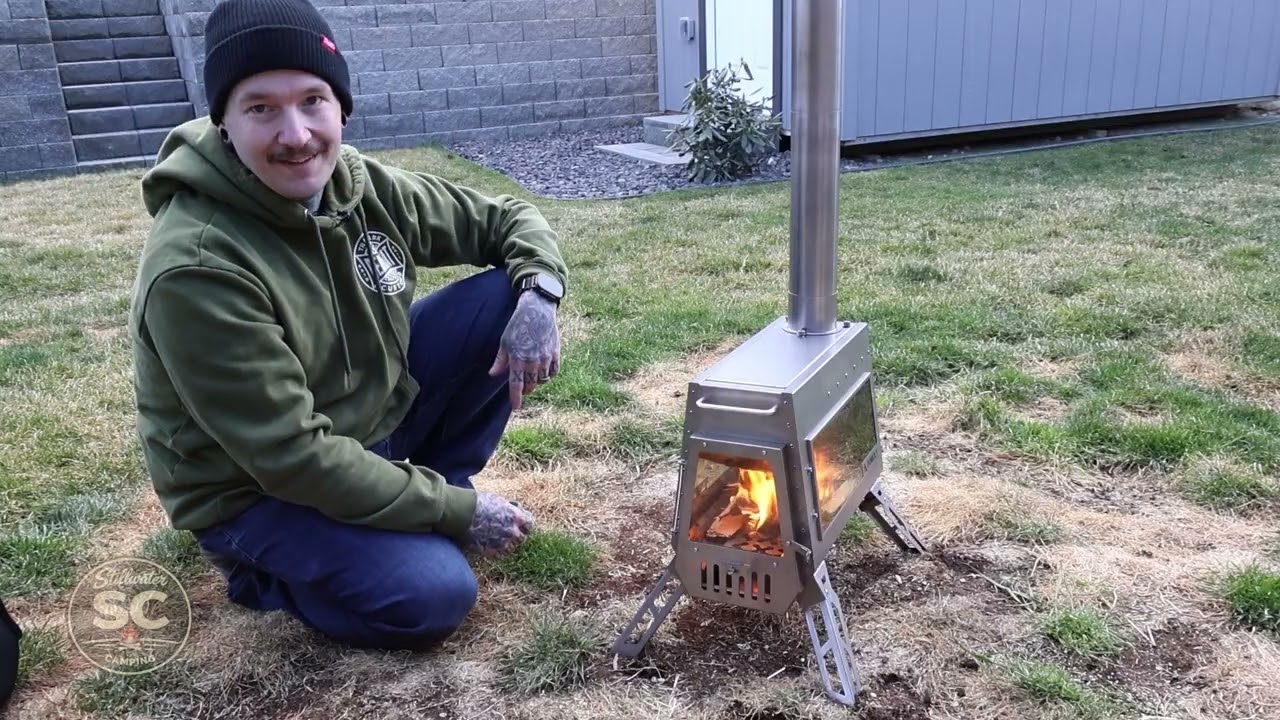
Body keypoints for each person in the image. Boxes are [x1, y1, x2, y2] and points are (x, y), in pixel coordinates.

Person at [127, 0, 567, 651]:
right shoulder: (197, 266)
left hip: (366, 425)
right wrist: (460, 517)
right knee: (433, 597)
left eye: (313, 100)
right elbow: (293, 458)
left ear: (342, 107)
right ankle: (258, 572)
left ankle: (430, 491)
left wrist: (542, 294)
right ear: (223, 121)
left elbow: (505, 220)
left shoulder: (359, 185)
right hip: (257, 491)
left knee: (506, 294)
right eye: (261, 108)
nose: (297, 134)